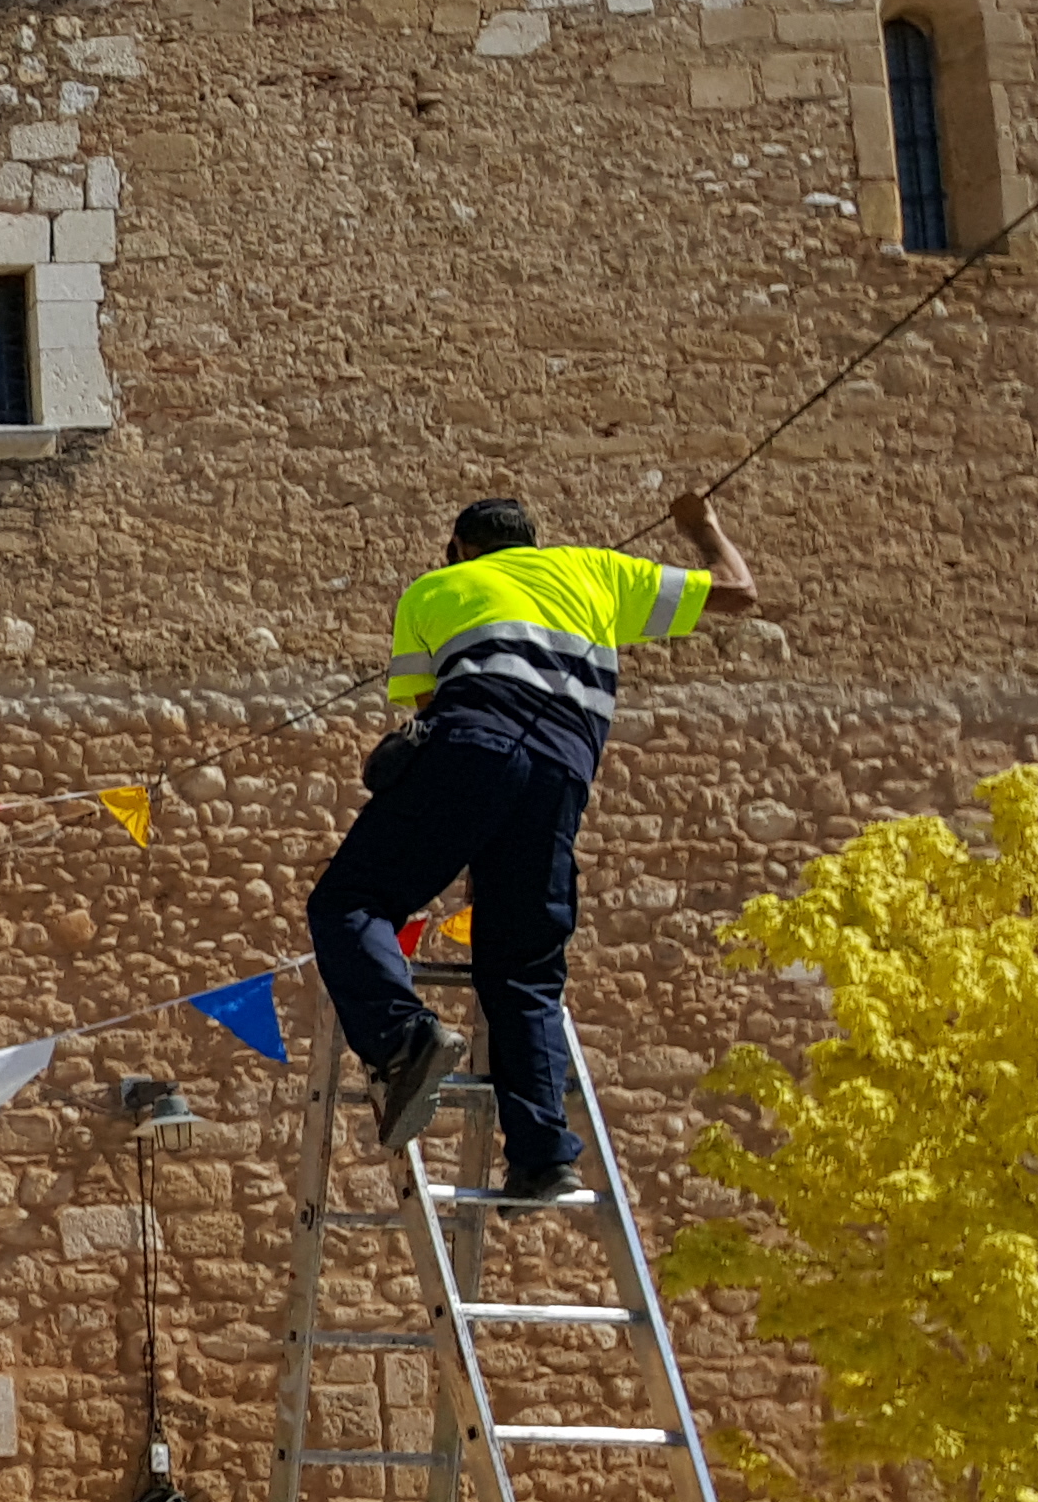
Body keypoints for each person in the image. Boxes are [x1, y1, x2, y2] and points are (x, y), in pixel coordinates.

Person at [312, 489, 764, 1204]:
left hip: (472, 749)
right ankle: (541, 1153)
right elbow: (740, 591)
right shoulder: (598, 572)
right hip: (560, 781)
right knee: (522, 966)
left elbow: (430, 715)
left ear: (460, 548)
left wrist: (462, 828)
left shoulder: (434, 589)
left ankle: (404, 1039)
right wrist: (701, 527)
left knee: (349, 901)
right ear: (533, 541)